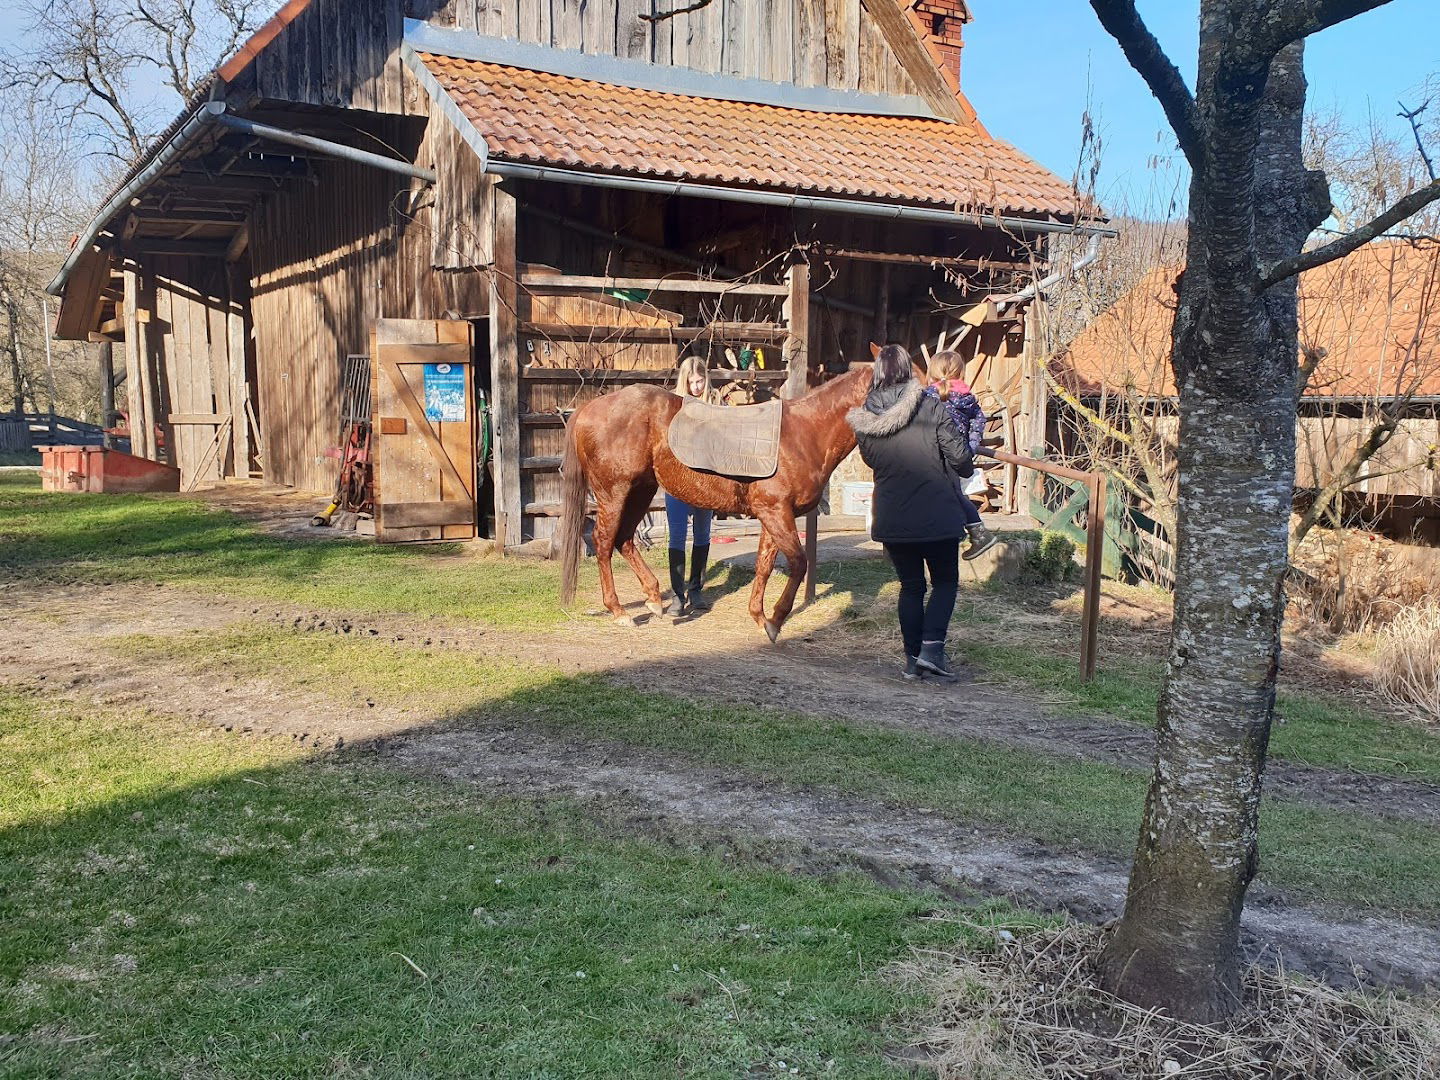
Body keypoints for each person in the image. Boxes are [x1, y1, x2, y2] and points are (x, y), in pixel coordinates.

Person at [847, 344, 975, 680]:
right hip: (937, 512)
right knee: (945, 582)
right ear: (909, 372)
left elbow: (871, 461)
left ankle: (911, 660)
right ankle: (932, 649)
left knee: (911, 586)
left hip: (893, 515)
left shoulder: (865, 419)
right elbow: (961, 460)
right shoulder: (931, 406)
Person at [923, 350, 998, 561]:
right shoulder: (968, 397)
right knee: (953, 493)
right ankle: (961, 532)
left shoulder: (927, 397)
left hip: (935, 454)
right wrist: (971, 447)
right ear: (961, 372)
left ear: (932, 372)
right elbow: (979, 421)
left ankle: (974, 533)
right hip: (958, 455)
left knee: (947, 494)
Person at [666, 355, 717, 616]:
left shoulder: (715, 406)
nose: (697, 386)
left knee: (702, 534)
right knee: (676, 535)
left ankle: (696, 589)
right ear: (684, 381)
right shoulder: (673, 407)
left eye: (700, 381)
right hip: (678, 480)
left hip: (706, 481)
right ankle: (677, 595)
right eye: (692, 381)